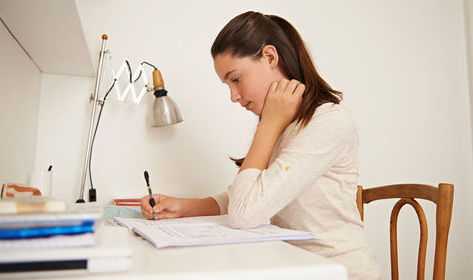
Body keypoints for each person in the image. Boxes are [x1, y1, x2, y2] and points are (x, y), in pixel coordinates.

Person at [141, 11, 381, 279]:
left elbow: (244, 212)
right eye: (227, 85)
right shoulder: (282, 122)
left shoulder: (328, 121)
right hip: (294, 264)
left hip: (338, 270)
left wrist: (269, 124)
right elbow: (246, 196)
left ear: (269, 57)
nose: (233, 96)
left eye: (236, 79)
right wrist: (184, 207)